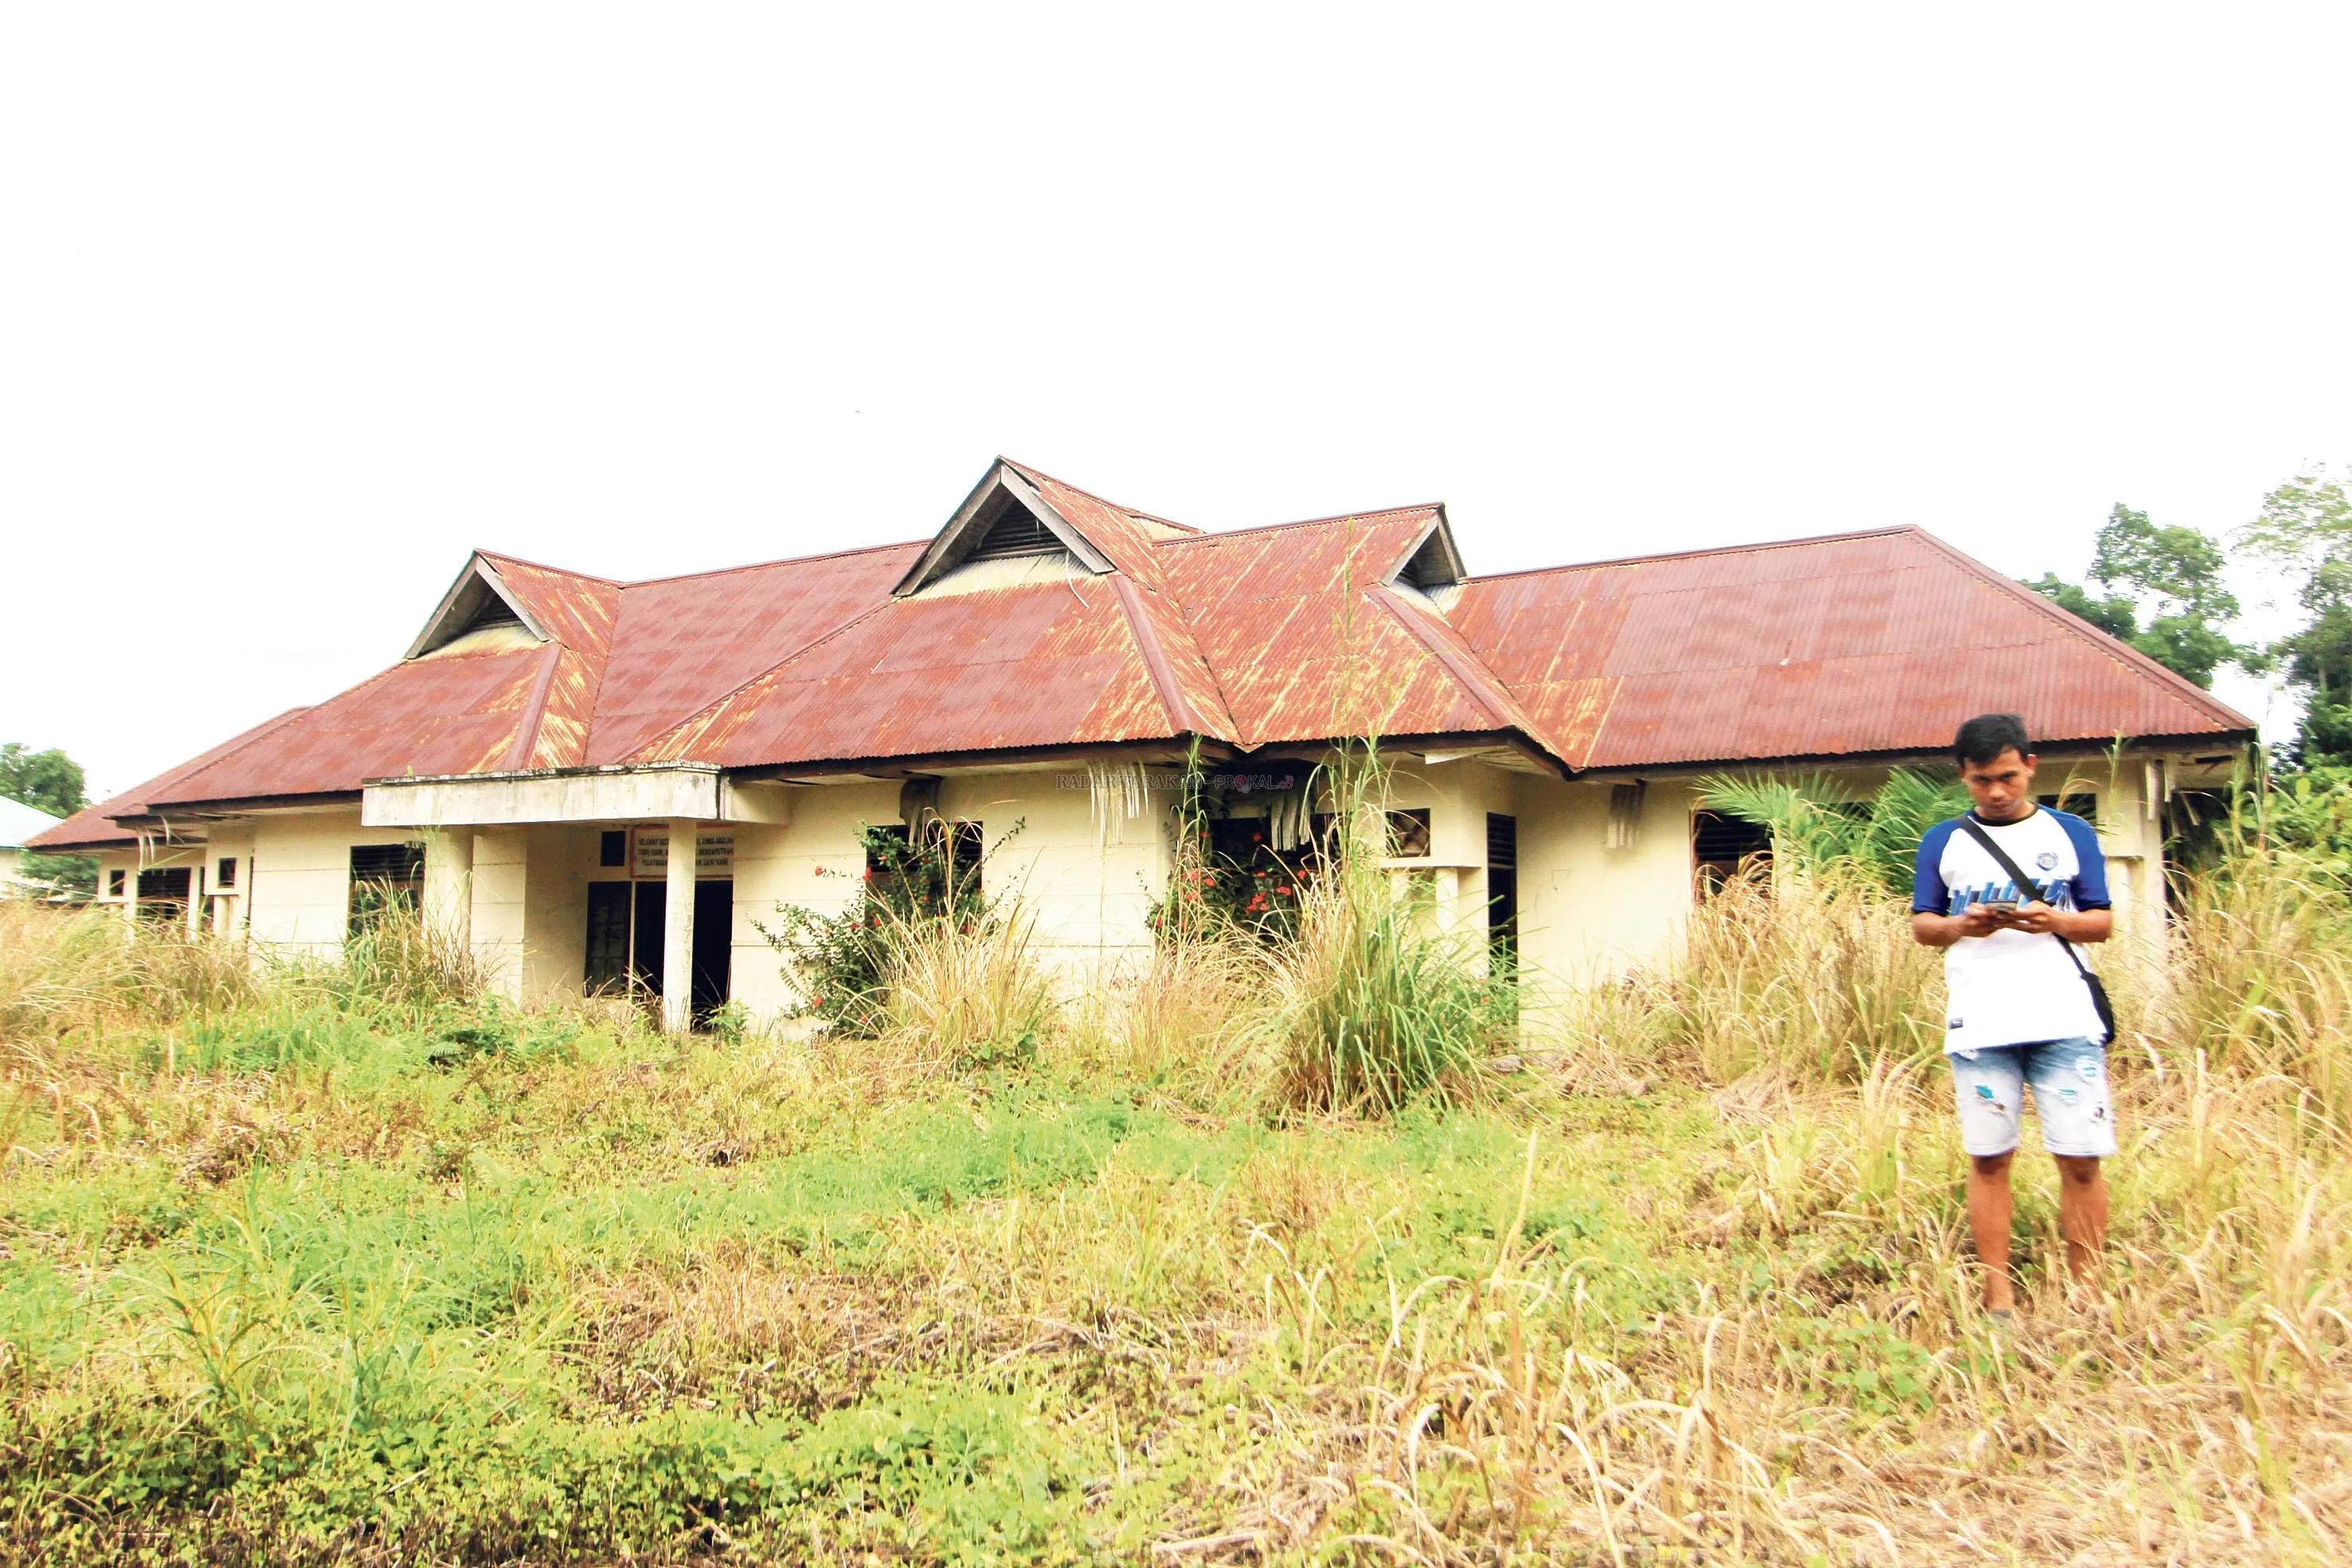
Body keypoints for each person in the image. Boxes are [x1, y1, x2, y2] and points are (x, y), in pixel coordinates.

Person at [1911, 713, 2114, 1324]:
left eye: (2005, 776)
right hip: (1981, 1023)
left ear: (2029, 765)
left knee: (2080, 1157)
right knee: (1989, 1156)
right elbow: (1923, 925)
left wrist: (2053, 919)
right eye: (1979, 781)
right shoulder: (1942, 840)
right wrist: (1959, 925)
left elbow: (2101, 921)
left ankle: (2087, 1294)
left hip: (2064, 1019)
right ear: (1962, 777)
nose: (1995, 792)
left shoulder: (2070, 831)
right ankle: (1997, 1296)